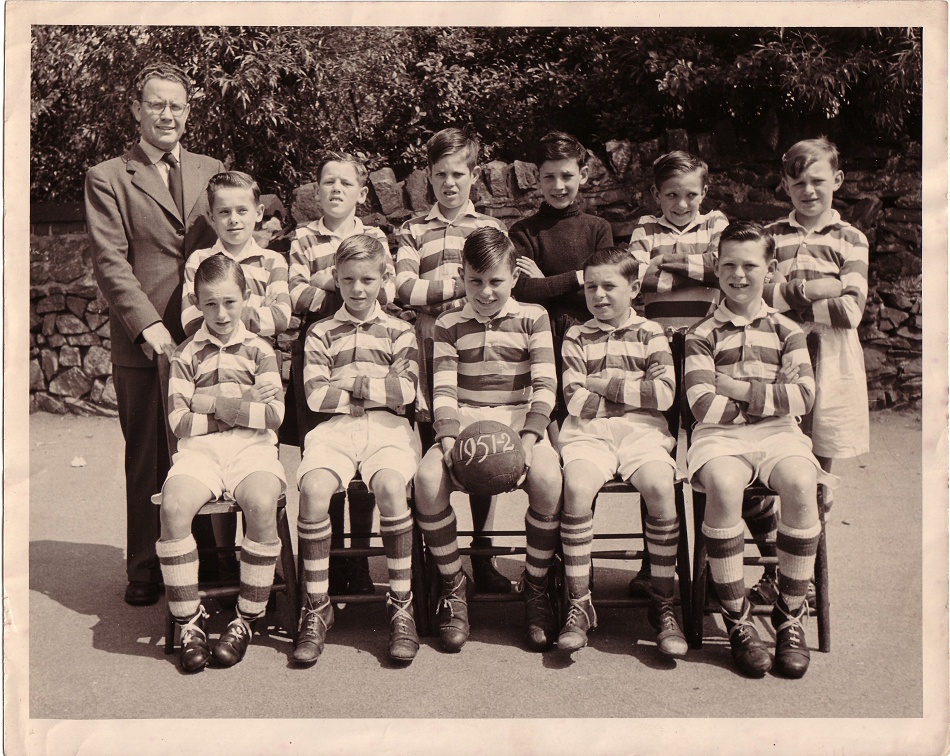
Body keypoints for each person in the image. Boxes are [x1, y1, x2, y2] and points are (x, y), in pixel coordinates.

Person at [85, 62, 225, 606]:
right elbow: (110, 261)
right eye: (157, 104)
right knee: (148, 455)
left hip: (208, 335)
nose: (167, 114)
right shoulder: (109, 176)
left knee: (208, 448)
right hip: (144, 345)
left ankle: (211, 559)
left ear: (188, 114)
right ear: (137, 110)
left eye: (178, 106)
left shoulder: (211, 168)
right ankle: (146, 566)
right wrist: (148, 327)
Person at [684, 221, 835, 679]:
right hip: (720, 439)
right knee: (725, 485)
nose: (739, 274)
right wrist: (766, 398)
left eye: (750, 265)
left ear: (770, 270)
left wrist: (739, 388)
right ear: (715, 266)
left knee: (800, 479)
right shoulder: (700, 334)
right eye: (728, 263)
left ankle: (789, 616)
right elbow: (702, 405)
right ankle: (737, 619)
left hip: (780, 435)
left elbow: (804, 398)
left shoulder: (788, 331)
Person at [414, 227, 563, 653]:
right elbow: (443, 389)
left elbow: (545, 386)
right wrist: (446, 440)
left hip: (518, 420)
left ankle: (535, 588)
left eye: (495, 281)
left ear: (514, 276)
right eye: (474, 280)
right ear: (461, 276)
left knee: (550, 480)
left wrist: (531, 439)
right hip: (466, 420)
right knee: (426, 480)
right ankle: (453, 585)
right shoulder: (448, 323)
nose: (484, 291)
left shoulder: (534, 317)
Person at [292, 234, 422, 666]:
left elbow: (405, 390)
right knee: (312, 491)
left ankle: (400, 602)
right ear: (336, 278)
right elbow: (314, 397)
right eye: (348, 280)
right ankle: (317, 604)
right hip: (335, 430)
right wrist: (375, 389)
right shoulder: (320, 332)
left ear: (385, 277)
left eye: (368, 279)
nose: (359, 289)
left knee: (388, 487)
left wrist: (348, 382)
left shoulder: (400, 329)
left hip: (388, 429)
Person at [156, 254, 286, 672]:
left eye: (230, 302)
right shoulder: (185, 355)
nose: (221, 313)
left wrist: (208, 403)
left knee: (263, 503)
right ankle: (190, 621)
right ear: (197, 303)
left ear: (246, 298)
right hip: (201, 453)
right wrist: (245, 403)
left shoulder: (260, 350)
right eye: (210, 303)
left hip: (252, 449)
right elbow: (178, 423)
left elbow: (274, 416)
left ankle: (246, 618)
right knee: (174, 507)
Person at [395, 128, 511, 594]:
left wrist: (439, 288)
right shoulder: (412, 230)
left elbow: (500, 287)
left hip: (481, 354)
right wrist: (463, 285)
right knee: (435, 456)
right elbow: (404, 290)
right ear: (428, 175)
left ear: (475, 175)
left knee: (485, 446)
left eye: (458, 173)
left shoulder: (490, 230)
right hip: (428, 355)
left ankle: (482, 553)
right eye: (440, 174)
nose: (449, 183)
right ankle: (436, 562)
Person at [557, 247, 686, 657]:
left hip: (642, 433)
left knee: (660, 487)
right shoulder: (576, 335)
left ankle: (663, 600)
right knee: (576, 488)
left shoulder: (651, 333)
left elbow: (664, 395)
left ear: (633, 289)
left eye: (609, 286)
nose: (599, 295)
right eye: (591, 287)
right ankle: (578, 602)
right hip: (589, 433)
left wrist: (605, 384)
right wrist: (632, 392)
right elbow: (575, 401)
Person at [287, 151, 393, 596]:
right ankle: (326, 559)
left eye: (346, 184)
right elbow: (294, 294)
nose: (336, 190)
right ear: (316, 190)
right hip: (319, 352)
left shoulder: (374, 235)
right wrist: (335, 283)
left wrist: (326, 280)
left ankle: (360, 560)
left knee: (365, 452)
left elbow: (382, 286)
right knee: (325, 455)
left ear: (362, 193)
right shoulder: (303, 237)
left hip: (366, 351)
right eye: (327, 182)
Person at [766, 137, 870, 505]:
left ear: (838, 179)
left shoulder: (851, 239)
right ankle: (770, 514)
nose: (807, 191)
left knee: (823, 427)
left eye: (818, 181)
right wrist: (819, 288)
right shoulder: (770, 237)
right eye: (798, 184)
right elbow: (757, 297)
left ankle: (815, 510)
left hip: (829, 348)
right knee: (773, 427)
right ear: (786, 186)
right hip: (774, 346)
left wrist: (790, 293)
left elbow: (849, 311)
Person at [511, 131, 614, 425]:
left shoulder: (597, 228)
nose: (558, 186)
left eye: (567, 176)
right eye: (549, 177)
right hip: (541, 340)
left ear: (582, 175)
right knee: (547, 412)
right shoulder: (523, 232)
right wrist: (582, 278)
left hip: (591, 338)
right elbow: (522, 290)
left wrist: (546, 282)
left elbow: (605, 291)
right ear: (536, 177)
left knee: (590, 414)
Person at [181, 171, 291, 340]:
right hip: (210, 361)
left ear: (259, 213)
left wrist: (213, 315)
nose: (233, 219)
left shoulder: (272, 262)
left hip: (257, 361)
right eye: (224, 212)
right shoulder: (199, 261)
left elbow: (280, 319)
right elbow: (191, 322)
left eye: (242, 210)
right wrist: (257, 312)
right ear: (211, 217)